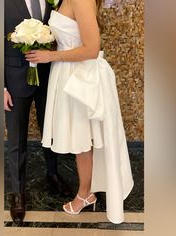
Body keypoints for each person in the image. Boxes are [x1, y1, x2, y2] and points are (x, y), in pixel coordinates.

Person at [25, 0, 134, 224]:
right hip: (67, 74)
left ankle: (85, 195)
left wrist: (51, 56)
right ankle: (88, 191)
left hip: (79, 78)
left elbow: (92, 49)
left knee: (82, 140)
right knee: (80, 140)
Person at [4, 0, 70, 223]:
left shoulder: (54, 2)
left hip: (47, 78)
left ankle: (52, 174)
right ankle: (18, 193)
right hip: (13, 82)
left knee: (50, 130)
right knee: (16, 140)